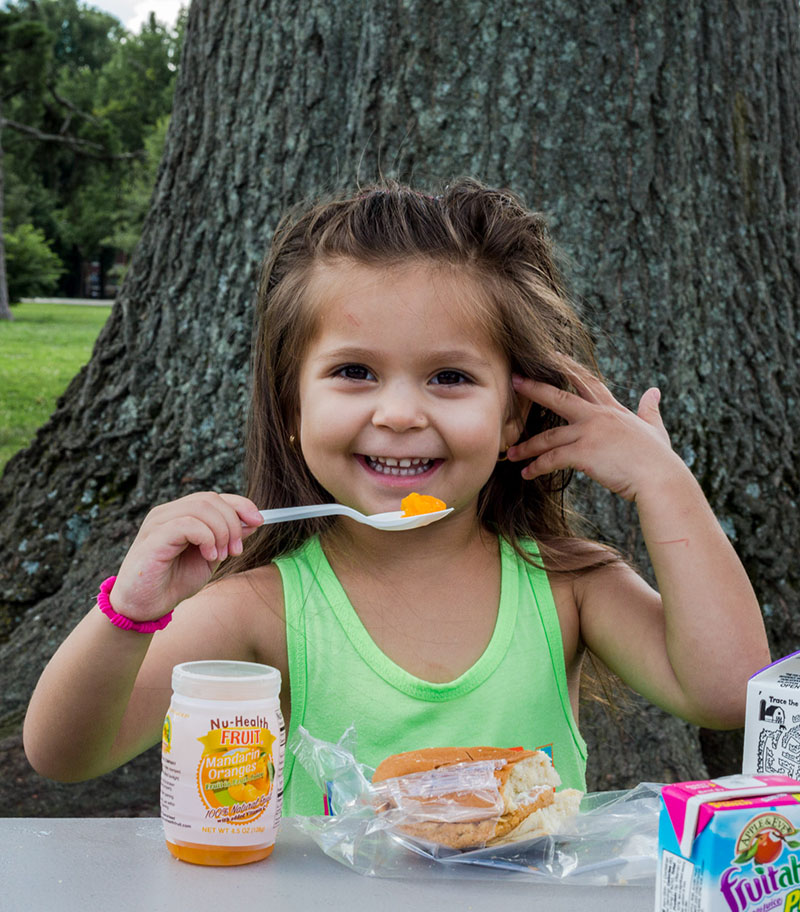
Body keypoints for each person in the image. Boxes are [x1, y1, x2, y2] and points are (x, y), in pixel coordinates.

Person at [23, 179, 770, 815]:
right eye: (354, 372)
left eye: (449, 377)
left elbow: (728, 691)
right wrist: (131, 610)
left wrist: (663, 483)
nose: (401, 414)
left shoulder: (568, 586)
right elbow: (64, 752)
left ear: (513, 414)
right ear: (291, 408)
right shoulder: (261, 608)